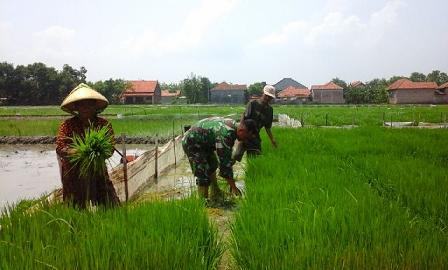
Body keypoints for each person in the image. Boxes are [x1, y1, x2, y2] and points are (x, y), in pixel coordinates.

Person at [56, 83, 119, 208]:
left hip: (98, 172)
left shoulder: (103, 124)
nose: (85, 107)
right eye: (81, 104)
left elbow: (110, 148)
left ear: (95, 106)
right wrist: (82, 152)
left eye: (89, 104)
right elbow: (60, 147)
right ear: (76, 107)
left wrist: (96, 152)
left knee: (110, 206)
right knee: (74, 209)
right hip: (73, 174)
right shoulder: (67, 125)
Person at [182, 117, 257, 199]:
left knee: (213, 165)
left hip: (204, 143)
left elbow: (225, 157)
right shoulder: (226, 135)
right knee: (203, 174)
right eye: (246, 137)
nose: (245, 140)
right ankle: (204, 203)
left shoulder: (234, 125)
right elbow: (225, 166)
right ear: (241, 131)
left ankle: (215, 192)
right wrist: (234, 188)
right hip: (192, 142)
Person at [233, 84, 277, 162]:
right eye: (266, 95)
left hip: (255, 136)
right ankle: (227, 169)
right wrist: (241, 131)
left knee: (255, 158)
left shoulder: (270, 110)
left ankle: (252, 170)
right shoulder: (252, 103)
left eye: (270, 97)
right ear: (263, 93)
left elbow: (267, 127)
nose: (267, 98)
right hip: (246, 134)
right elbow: (244, 117)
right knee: (237, 156)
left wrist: (272, 139)